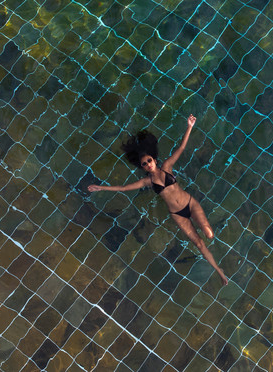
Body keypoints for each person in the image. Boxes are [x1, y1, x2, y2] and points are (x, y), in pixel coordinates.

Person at [88, 115, 228, 285]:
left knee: (209, 234)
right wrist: (101, 187)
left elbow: (181, 147)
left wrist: (189, 126)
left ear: (154, 159)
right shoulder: (147, 182)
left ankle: (218, 252)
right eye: (144, 164)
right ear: (143, 168)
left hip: (190, 204)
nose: (148, 164)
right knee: (199, 244)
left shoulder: (167, 167)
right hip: (177, 215)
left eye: (149, 160)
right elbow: (124, 188)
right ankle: (219, 271)